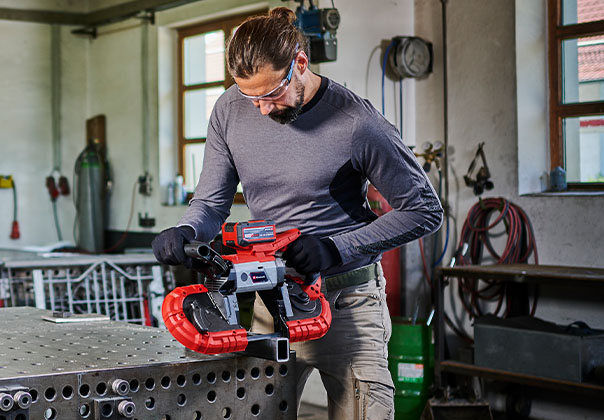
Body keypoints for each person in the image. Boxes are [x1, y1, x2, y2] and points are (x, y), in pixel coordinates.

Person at [152, 7, 442, 420]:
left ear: (300, 64)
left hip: (347, 305)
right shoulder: (229, 110)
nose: (262, 110)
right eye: (250, 97)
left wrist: (333, 248)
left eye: (271, 94)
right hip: (273, 299)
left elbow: (425, 210)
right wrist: (185, 230)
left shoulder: (357, 122)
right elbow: (212, 202)